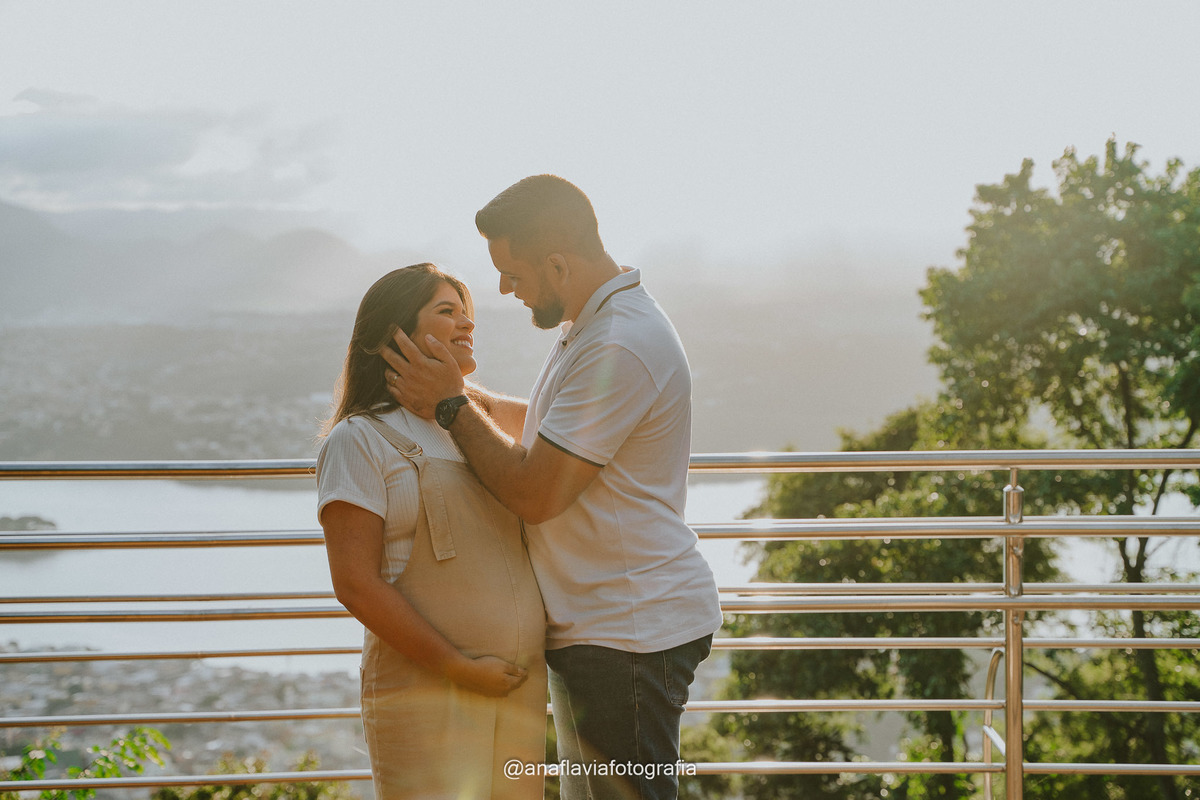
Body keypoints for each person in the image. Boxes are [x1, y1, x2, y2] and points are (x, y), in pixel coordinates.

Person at [383, 176, 723, 800]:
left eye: (513, 273)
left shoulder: (619, 341)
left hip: (627, 634)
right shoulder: (594, 323)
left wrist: (454, 407)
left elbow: (536, 492)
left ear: (558, 263)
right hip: (607, 627)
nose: (506, 290)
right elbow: (554, 428)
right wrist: (457, 398)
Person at [315, 263, 546, 800]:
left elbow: (563, 424)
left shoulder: (472, 424)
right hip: (427, 692)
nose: (467, 323)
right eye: (447, 312)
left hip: (517, 691)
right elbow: (355, 584)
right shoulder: (359, 439)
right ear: (389, 336)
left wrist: (456, 394)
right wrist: (459, 668)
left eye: (468, 313)